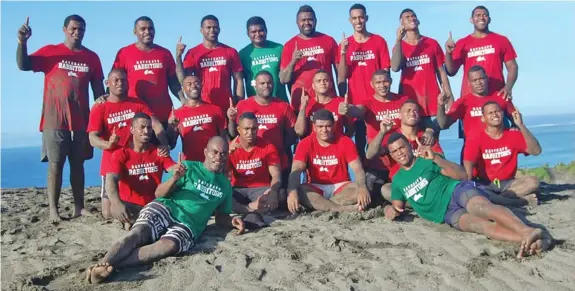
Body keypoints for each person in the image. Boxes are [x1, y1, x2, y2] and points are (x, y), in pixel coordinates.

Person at [85, 136, 245, 284]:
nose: (219, 157)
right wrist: (174, 178)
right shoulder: (188, 167)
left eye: (223, 154)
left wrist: (232, 221)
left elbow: (220, 216)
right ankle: (104, 263)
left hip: (190, 224)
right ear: (206, 152)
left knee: (167, 246)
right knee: (139, 232)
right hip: (166, 207)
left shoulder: (225, 185)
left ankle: (111, 266)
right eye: (215, 152)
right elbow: (158, 193)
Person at [384, 132, 547, 258]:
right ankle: (532, 242)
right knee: (482, 227)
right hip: (445, 214)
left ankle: (526, 230)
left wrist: (436, 159)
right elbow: (397, 207)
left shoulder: (427, 159)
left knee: (481, 208)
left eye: (402, 147)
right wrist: (388, 210)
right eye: (395, 151)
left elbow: (462, 175)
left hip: (456, 191)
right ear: (391, 155)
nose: (400, 153)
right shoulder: (397, 180)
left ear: (409, 146)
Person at [16, 15, 106, 223]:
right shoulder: (51, 52)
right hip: (54, 119)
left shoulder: (92, 57)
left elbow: (98, 92)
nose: (78, 32)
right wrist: (22, 42)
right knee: (55, 165)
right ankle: (54, 210)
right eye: (74, 28)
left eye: (81, 29)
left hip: (82, 120)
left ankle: (79, 207)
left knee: (78, 164)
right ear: (65, 29)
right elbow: (24, 64)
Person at [87, 69, 170, 219]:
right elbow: (92, 138)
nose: (120, 83)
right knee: (108, 213)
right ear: (108, 83)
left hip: (135, 160)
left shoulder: (137, 103)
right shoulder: (100, 106)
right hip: (112, 160)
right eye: (116, 80)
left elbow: (156, 124)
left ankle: (143, 211)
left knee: (143, 198)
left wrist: (164, 145)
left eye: (123, 80)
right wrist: (109, 145)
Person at [444, 5, 518, 139]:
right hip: (470, 100)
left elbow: (512, 67)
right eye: (478, 15)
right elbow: (451, 71)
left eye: (484, 15)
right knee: (471, 140)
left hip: (496, 98)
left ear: (489, 19)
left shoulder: (501, 40)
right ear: (471, 20)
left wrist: (508, 87)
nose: (481, 17)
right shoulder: (463, 43)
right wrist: (448, 53)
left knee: (502, 137)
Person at [286, 109, 371, 213]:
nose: (324, 130)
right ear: (314, 127)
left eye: (328, 126)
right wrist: (292, 191)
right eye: (320, 126)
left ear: (334, 125)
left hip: (341, 187)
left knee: (365, 189)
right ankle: (339, 209)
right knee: (298, 190)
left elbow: (357, 168)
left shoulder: (345, 141)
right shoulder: (305, 143)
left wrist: (362, 187)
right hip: (315, 187)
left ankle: (323, 205)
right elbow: (296, 169)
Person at [103, 113, 177, 230]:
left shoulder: (158, 152)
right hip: (130, 205)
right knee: (114, 208)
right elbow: (111, 179)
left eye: (149, 128)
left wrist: (179, 170)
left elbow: (173, 169)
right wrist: (116, 202)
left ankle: (140, 222)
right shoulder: (121, 154)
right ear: (132, 130)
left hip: (154, 204)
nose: (146, 131)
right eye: (142, 127)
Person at [337, 3, 391, 159]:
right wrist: (343, 53)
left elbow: (386, 73)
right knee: (360, 148)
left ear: (366, 18)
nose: (358, 21)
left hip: (378, 104)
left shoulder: (379, 41)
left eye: (361, 17)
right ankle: (365, 181)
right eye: (354, 18)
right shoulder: (344, 44)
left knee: (382, 145)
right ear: (350, 20)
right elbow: (342, 76)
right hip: (358, 105)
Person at [463, 102, 541, 206]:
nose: (494, 114)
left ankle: (501, 199)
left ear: (502, 114)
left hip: (509, 184)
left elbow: (536, 151)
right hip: (486, 184)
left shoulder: (513, 135)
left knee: (533, 182)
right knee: (479, 192)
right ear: (483, 118)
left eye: (497, 111)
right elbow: (468, 162)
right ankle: (517, 201)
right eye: (490, 113)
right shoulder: (475, 138)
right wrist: (468, 183)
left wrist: (521, 126)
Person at [367, 99, 444, 202]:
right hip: (404, 186)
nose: (412, 112)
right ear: (399, 116)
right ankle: (420, 203)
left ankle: (424, 202)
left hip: (425, 181)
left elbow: (442, 159)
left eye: (415, 111)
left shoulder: (426, 137)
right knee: (386, 190)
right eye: (408, 110)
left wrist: (428, 154)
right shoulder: (392, 138)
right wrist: (382, 132)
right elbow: (369, 154)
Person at [111, 16, 183, 125]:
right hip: (136, 115)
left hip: (162, 113)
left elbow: (174, 83)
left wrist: (184, 100)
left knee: (164, 142)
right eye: (143, 29)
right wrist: (106, 99)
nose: (147, 32)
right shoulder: (124, 53)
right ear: (135, 32)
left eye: (150, 29)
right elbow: (114, 79)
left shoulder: (164, 53)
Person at [436, 65, 516, 161]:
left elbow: (516, 118)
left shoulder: (500, 97)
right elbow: (443, 124)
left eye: (481, 78)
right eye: (474, 80)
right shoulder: (463, 102)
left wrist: (514, 127)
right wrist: (440, 106)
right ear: (469, 83)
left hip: (497, 152)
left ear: (486, 78)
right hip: (473, 153)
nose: (479, 83)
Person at [233, 71, 297, 187]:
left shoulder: (283, 106)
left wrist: (278, 148)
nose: (266, 86)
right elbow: (234, 132)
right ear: (255, 85)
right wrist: (231, 119)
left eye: (269, 83)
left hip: (278, 161)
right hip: (252, 164)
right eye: (262, 83)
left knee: (281, 197)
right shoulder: (243, 105)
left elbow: (292, 135)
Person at [390, 8, 453, 126]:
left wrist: (449, 95)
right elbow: (395, 67)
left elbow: (441, 72)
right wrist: (398, 40)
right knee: (412, 141)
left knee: (432, 140)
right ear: (401, 24)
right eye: (407, 17)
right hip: (410, 103)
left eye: (413, 16)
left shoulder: (432, 43)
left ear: (418, 21)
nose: (411, 18)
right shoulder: (399, 46)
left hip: (432, 102)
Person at [279, 5, 340, 112]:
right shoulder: (289, 45)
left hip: (327, 101)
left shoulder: (328, 40)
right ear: (297, 22)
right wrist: (293, 61)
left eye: (310, 19)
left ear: (316, 21)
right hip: (301, 103)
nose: (306, 23)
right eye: (303, 20)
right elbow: (283, 80)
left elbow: (339, 73)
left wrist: (342, 96)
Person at [178, 15, 244, 114]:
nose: (212, 30)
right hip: (202, 106)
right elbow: (184, 80)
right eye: (208, 27)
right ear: (201, 30)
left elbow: (238, 80)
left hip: (226, 106)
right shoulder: (192, 53)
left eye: (215, 27)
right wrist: (178, 56)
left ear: (219, 29)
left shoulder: (230, 52)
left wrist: (239, 104)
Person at [228, 112, 284, 214]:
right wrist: (227, 155)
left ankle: (247, 208)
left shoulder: (267, 146)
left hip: (261, 189)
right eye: (246, 129)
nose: (250, 132)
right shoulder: (230, 148)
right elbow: (222, 176)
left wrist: (273, 192)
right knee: (220, 196)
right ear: (239, 130)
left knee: (281, 194)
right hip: (238, 189)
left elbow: (276, 174)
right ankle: (252, 208)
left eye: (254, 129)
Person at [166, 75, 228, 162]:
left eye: (196, 83)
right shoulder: (176, 114)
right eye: (189, 84)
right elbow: (171, 145)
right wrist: (171, 127)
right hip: (191, 165)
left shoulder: (215, 109)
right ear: (183, 89)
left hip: (213, 163)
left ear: (202, 86)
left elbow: (224, 138)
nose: (193, 86)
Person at [239, 16, 289, 103]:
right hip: (256, 106)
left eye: (260, 30)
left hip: (280, 103)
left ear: (266, 30)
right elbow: (239, 81)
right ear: (248, 34)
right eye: (253, 32)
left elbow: (287, 76)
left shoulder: (279, 48)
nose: (257, 34)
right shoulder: (243, 54)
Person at [295, 70, 351, 138]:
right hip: (313, 146)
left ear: (331, 84)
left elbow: (351, 128)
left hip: (335, 145)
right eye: (318, 81)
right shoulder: (306, 104)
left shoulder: (341, 102)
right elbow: (299, 132)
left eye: (325, 80)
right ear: (313, 86)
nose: (322, 83)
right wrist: (303, 107)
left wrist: (341, 143)